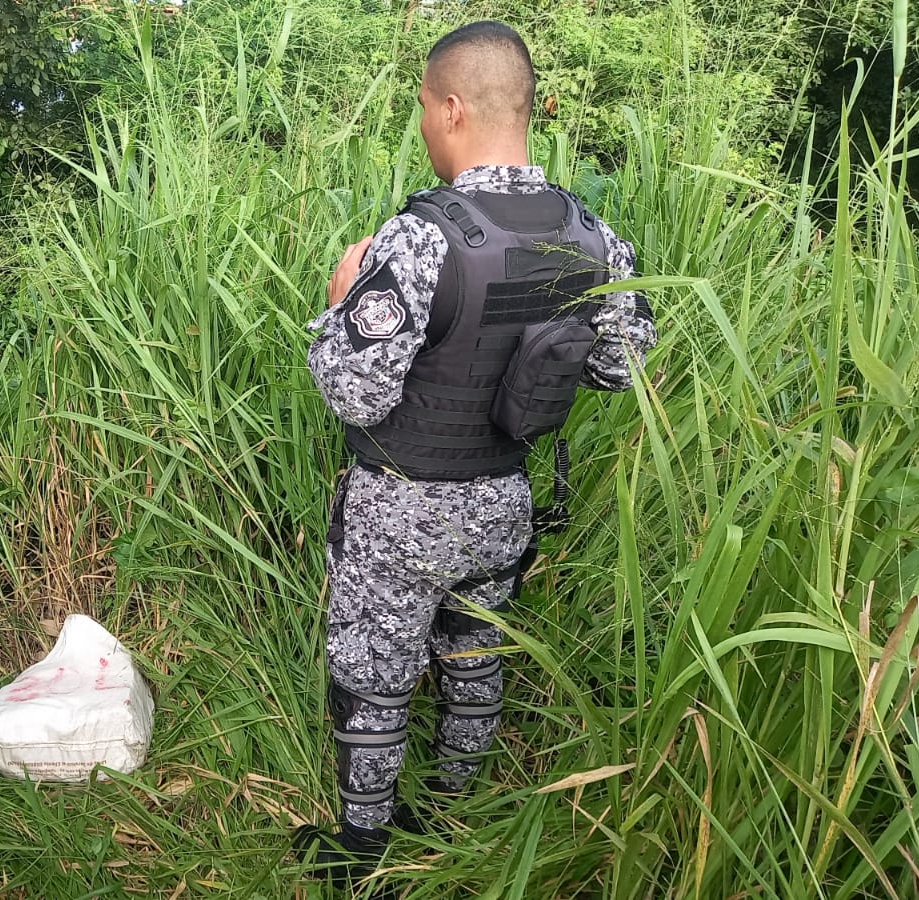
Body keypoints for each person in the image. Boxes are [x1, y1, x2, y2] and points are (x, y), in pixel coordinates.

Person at [295, 20, 657, 883]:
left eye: (425, 106)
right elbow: (622, 367)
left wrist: (341, 305)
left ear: (452, 108)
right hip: (504, 501)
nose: (425, 122)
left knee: (375, 670)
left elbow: (356, 393)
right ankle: (455, 810)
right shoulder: (592, 236)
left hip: (402, 504)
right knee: (473, 653)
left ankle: (363, 850)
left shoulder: (423, 236)